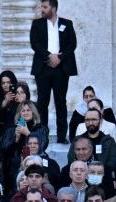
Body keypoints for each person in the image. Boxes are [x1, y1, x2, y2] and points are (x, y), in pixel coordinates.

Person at [30, 0, 78, 143]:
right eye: (42, 7)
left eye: (45, 7)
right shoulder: (37, 24)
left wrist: (60, 57)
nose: (42, 10)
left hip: (61, 68)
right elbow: (35, 43)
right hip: (43, 67)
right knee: (42, 101)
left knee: (60, 102)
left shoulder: (66, 24)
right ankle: (42, 134)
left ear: (54, 8)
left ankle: (62, 136)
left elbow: (72, 44)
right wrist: (48, 56)